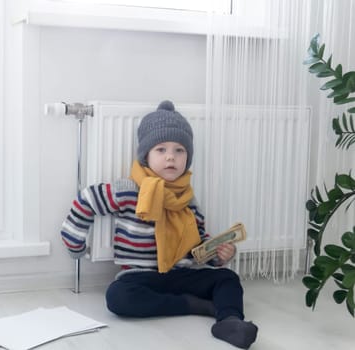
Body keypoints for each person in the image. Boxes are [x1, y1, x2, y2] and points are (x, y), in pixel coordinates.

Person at [60, 100, 258, 349]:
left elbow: (198, 245)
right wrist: (75, 244)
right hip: (141, 276)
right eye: (161, 150)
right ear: (146, 155)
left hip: (183, 273)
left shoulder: (188, 198)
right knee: (117, 297)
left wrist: (218, 255)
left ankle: (229, 320)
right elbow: (86, 200)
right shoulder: (129, 190)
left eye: (179, 151)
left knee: (227, 278)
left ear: (188, 157)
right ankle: (196, 305)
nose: (170, 157)